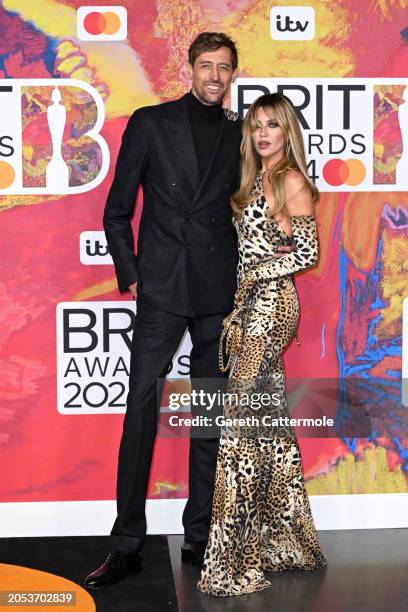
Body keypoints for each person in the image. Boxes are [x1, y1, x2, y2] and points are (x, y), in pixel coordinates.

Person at [82, 31, 243, 589]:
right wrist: (134, 274)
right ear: (190, 68)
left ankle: (199, 536)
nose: (215, 76)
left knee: (209, 418)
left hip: (217, 293)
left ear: (233, 74)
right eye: (206, 65)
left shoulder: (240, 133)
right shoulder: (151, 123)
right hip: (162, 291)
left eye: (225, 67)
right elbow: (116, 210)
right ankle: (126, 543)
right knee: (140, 413)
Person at [197, 93, 328, 597]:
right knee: (267, 425)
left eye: (273, 125)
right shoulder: (252, 179)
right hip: (247, 305)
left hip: (271, 307)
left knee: (239, 429)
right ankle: (287, 543)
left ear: (287, 130)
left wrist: (255, 274)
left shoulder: (290, 179)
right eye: (255, 126)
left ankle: (235, 562)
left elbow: (309, 252)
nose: (263, 134)